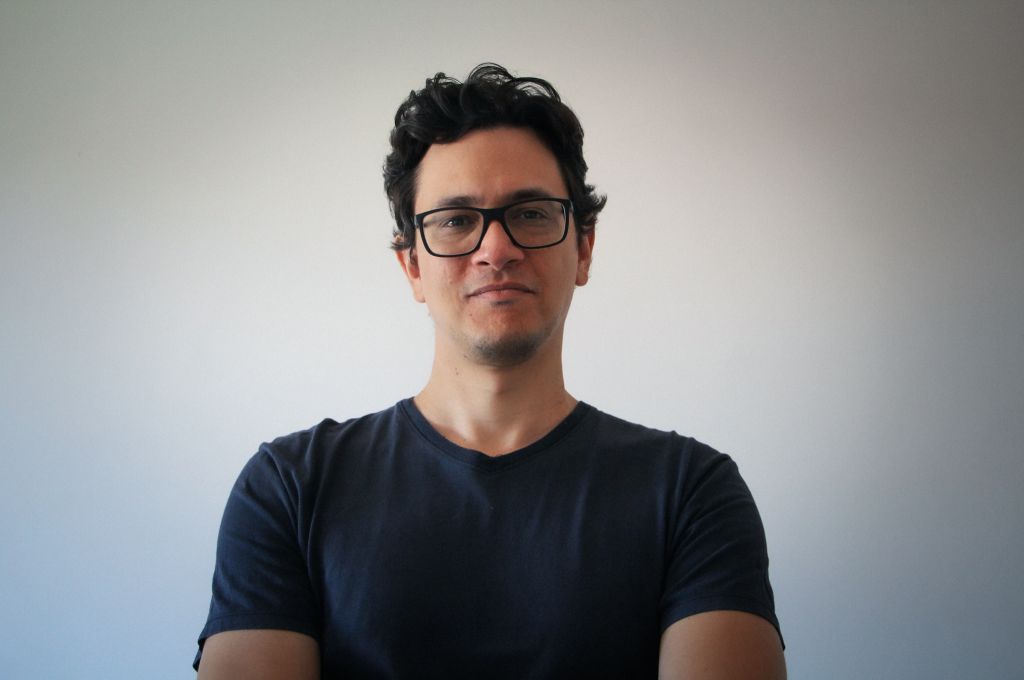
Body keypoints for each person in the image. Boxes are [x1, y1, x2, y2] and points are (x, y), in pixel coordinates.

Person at [194, 63, 785, 679]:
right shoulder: (290, 488)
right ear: (412, 267)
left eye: (530, 213)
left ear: (583, 248)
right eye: (455, 220)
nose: (496, 250)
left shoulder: (692, 493)